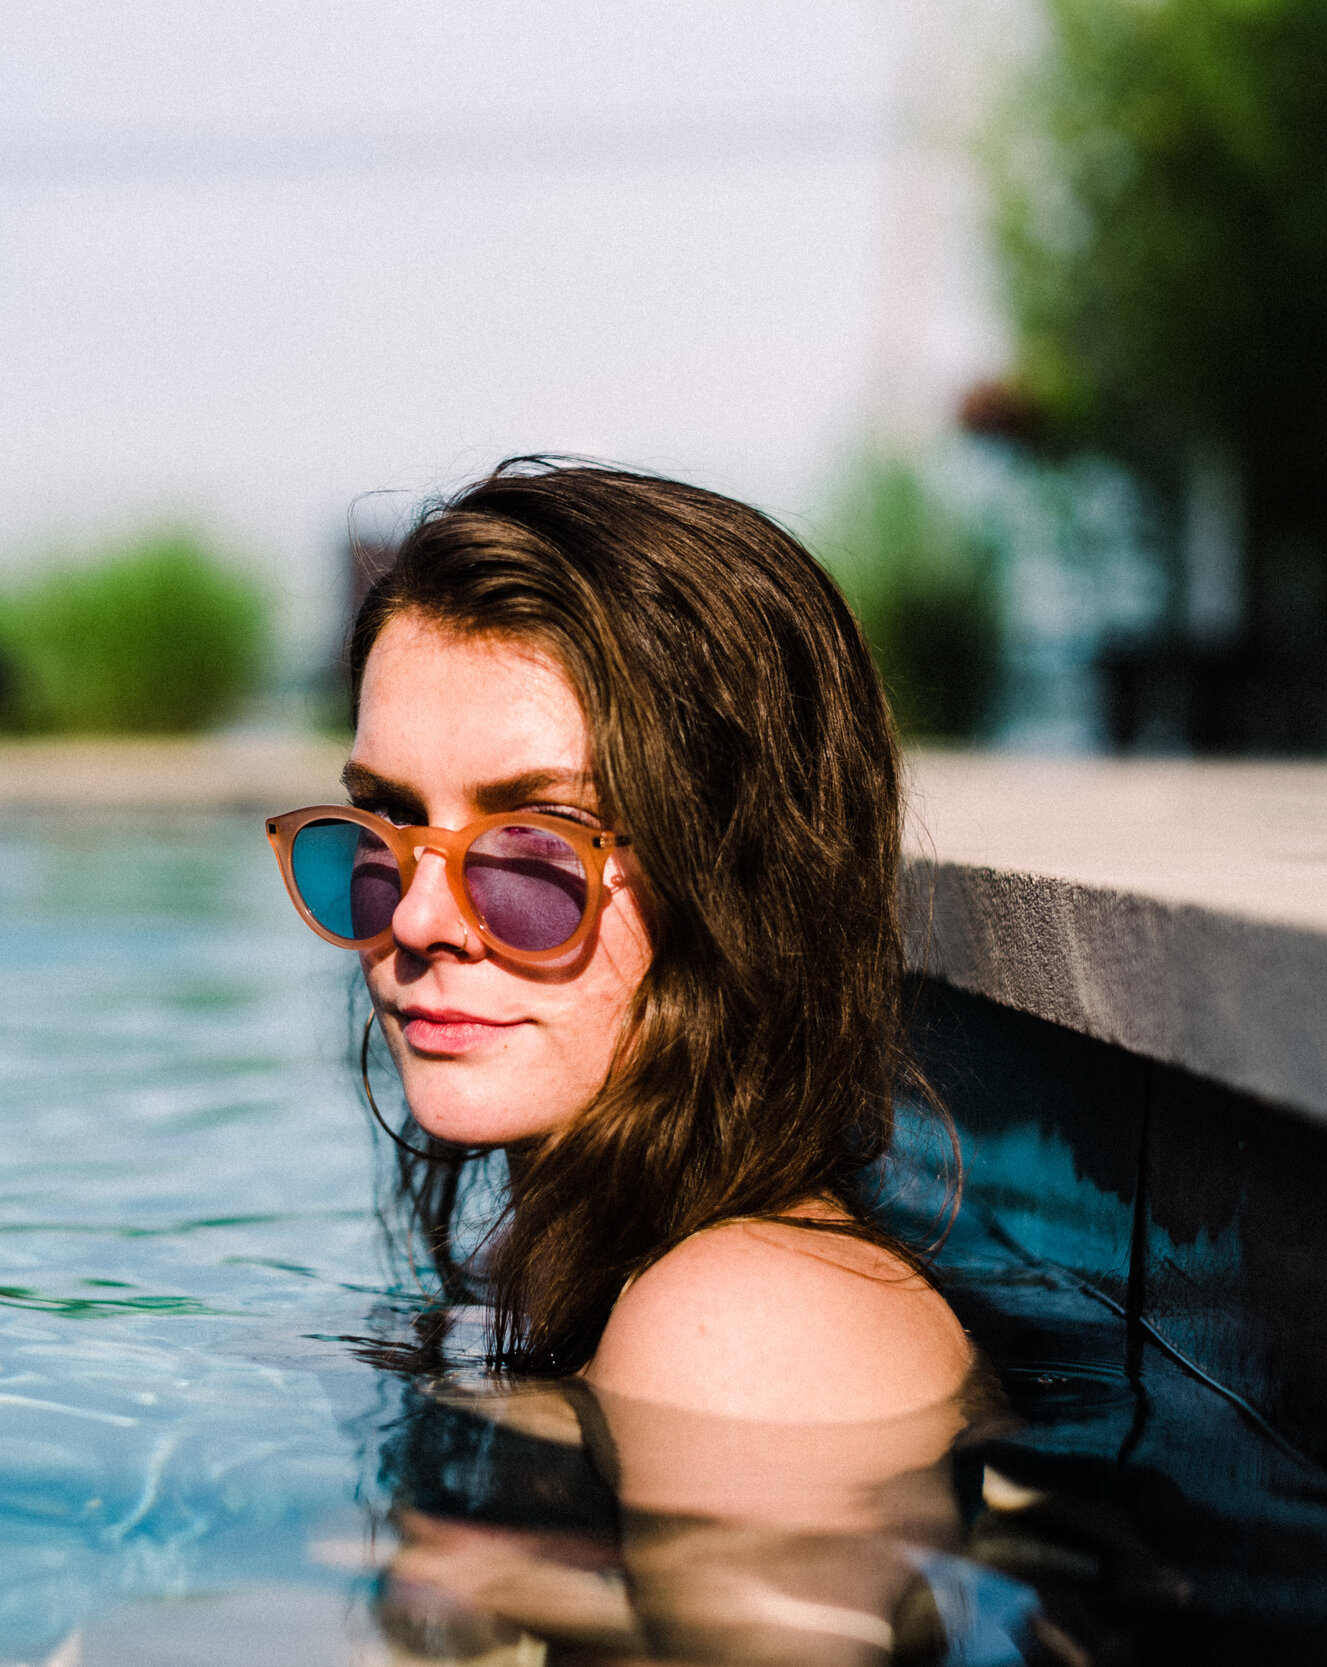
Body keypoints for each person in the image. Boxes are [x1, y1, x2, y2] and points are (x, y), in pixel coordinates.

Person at [269, 462, 990, 1662]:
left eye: (528, 845)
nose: (416, 919)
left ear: (735, 881)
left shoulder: (746, 1321)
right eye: (386, 831)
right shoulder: (573, 1257)